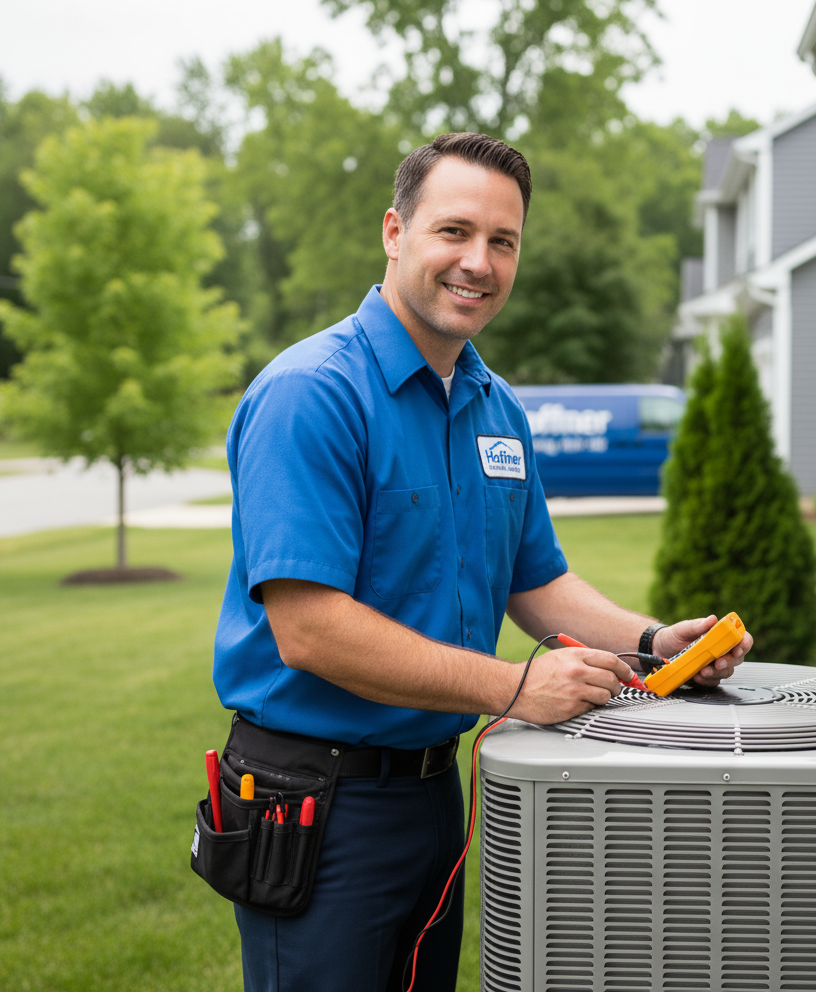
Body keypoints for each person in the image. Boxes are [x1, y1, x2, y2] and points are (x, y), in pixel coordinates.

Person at [212, 132, 752, 992]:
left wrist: (655, 641)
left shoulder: (496, 405)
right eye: (454, 232)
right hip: (317, 798)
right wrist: (510, 688)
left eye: (503, 242)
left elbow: (534, 582)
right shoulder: (311, 394)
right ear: (395, 232)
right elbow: (309, 630)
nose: (479, 262)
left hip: (437, 797)